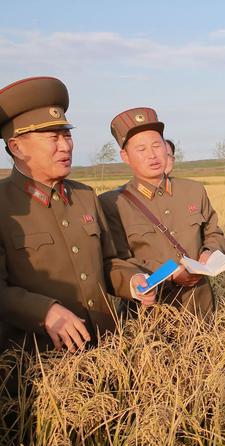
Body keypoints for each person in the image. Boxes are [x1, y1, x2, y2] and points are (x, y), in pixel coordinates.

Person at [0, 76, 153, 357]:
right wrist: (44, 311)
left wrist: (132, 281)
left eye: (67, 135)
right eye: (53, 137)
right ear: (17, 147)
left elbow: (108, 262)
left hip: (106, 348)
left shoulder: (85, 196)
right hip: (38, 362)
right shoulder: (4, 204)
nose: (66, 146)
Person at [99, 108, 225, 318]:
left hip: (199, 308)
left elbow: (214, 233)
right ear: (125, 156)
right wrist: (171, 273)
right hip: (147, 316)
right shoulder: (112, 203)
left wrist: (210, 252)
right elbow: (115, 261)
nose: (152, 154)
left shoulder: (193, 190)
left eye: (157, 145)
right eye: (141, 149)